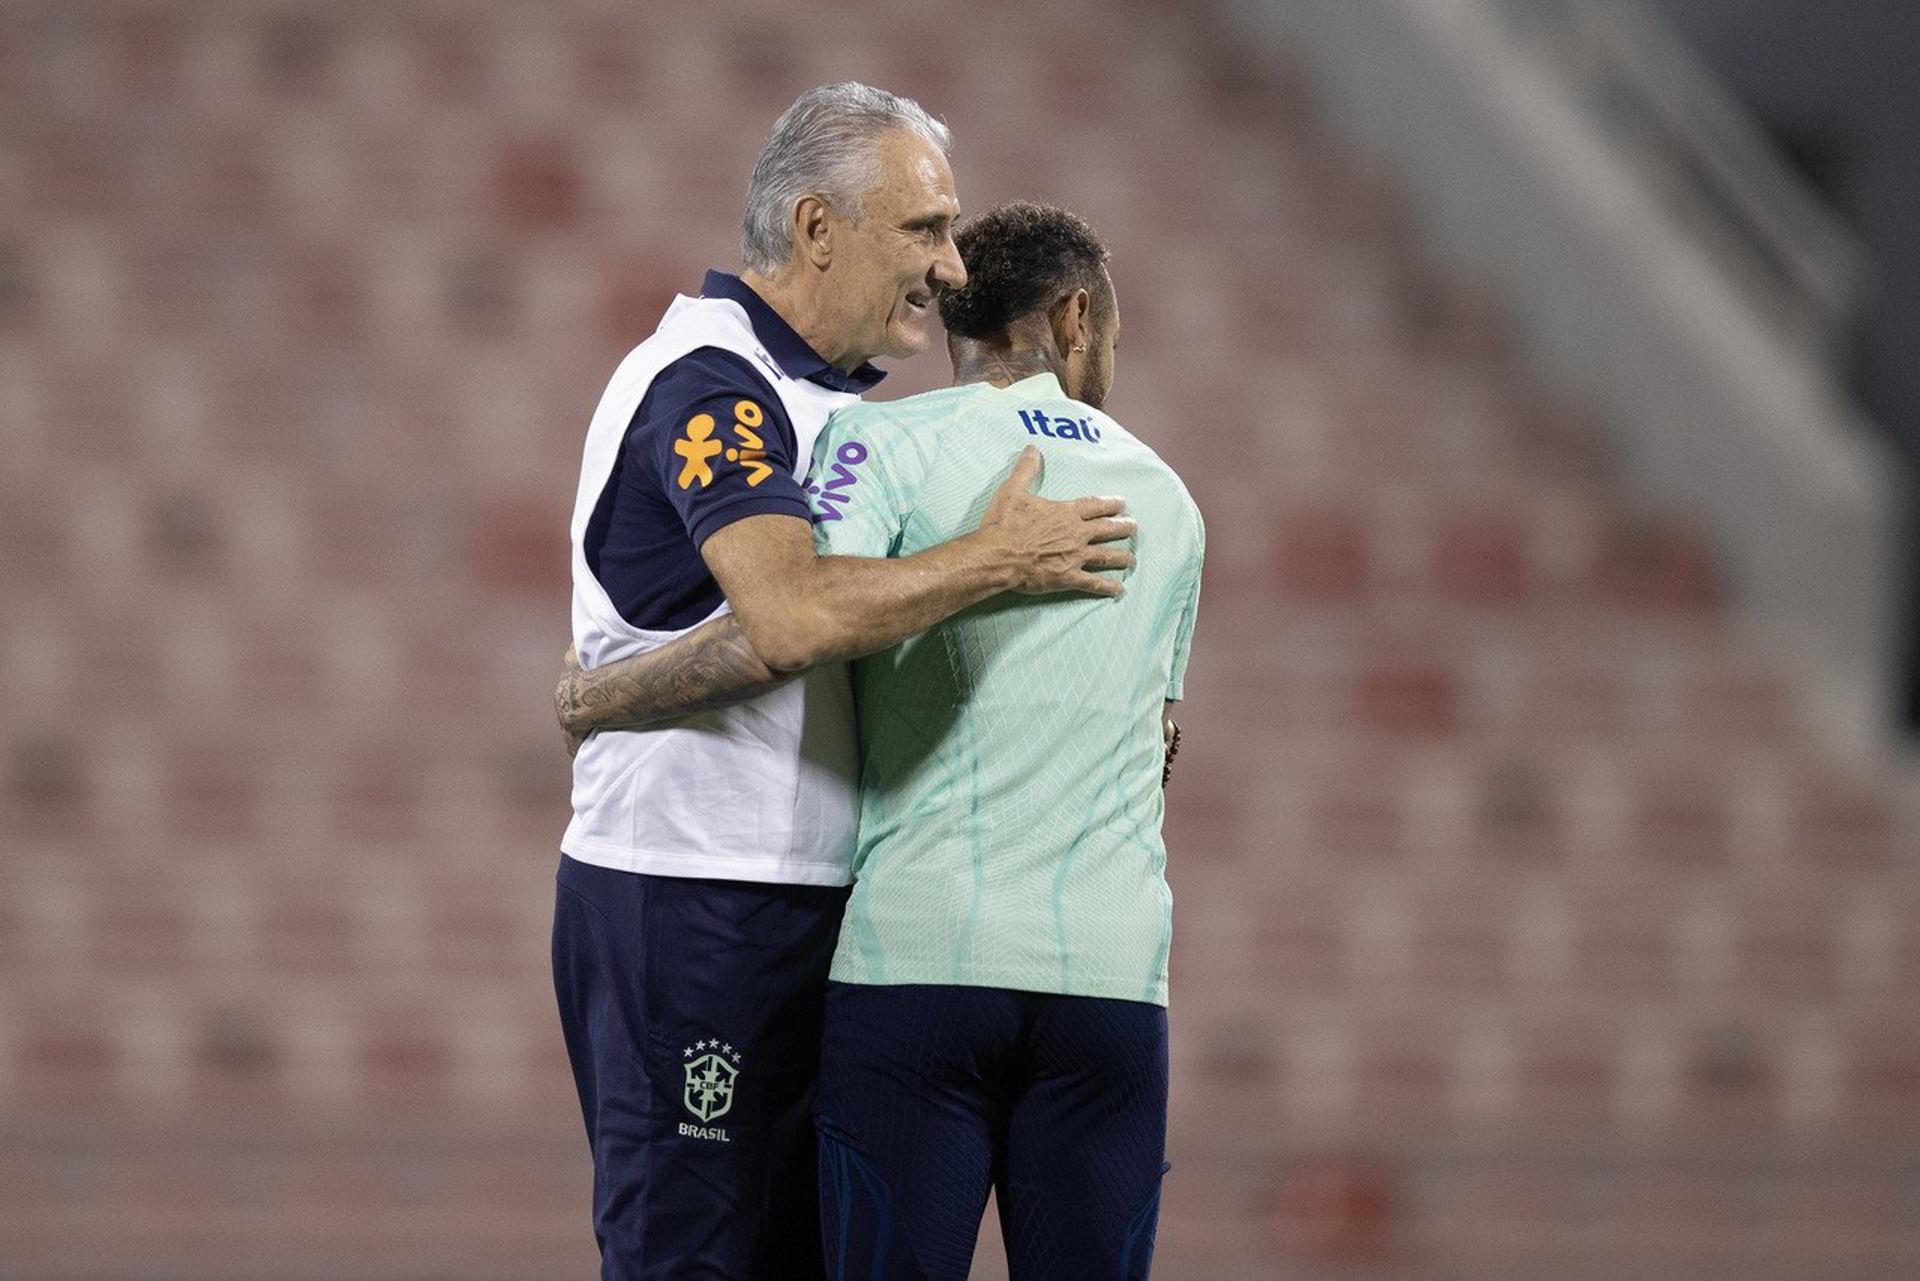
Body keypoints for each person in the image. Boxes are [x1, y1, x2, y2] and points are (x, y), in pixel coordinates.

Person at [552, 85, 1135, 1280]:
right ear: (819, 230)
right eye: (924, 230)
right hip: (696, 898)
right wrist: (999, 555)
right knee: (693, 1256)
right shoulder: (713, 384)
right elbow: (792, 616)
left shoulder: (847, 412)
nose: (951, 264)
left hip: (826, 908)